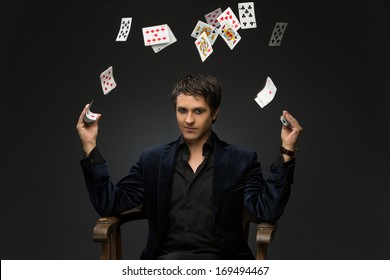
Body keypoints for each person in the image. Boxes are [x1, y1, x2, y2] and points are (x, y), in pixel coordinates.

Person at [76, 73, 303, 260]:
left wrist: (287, 151)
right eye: (182, 110)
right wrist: (90, 145)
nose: (189, 120)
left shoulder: (241, 160)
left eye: (198, 111)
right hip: (165, 263)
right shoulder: (152, 160)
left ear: (215, 112)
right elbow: (109, 204)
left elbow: (267, 211)